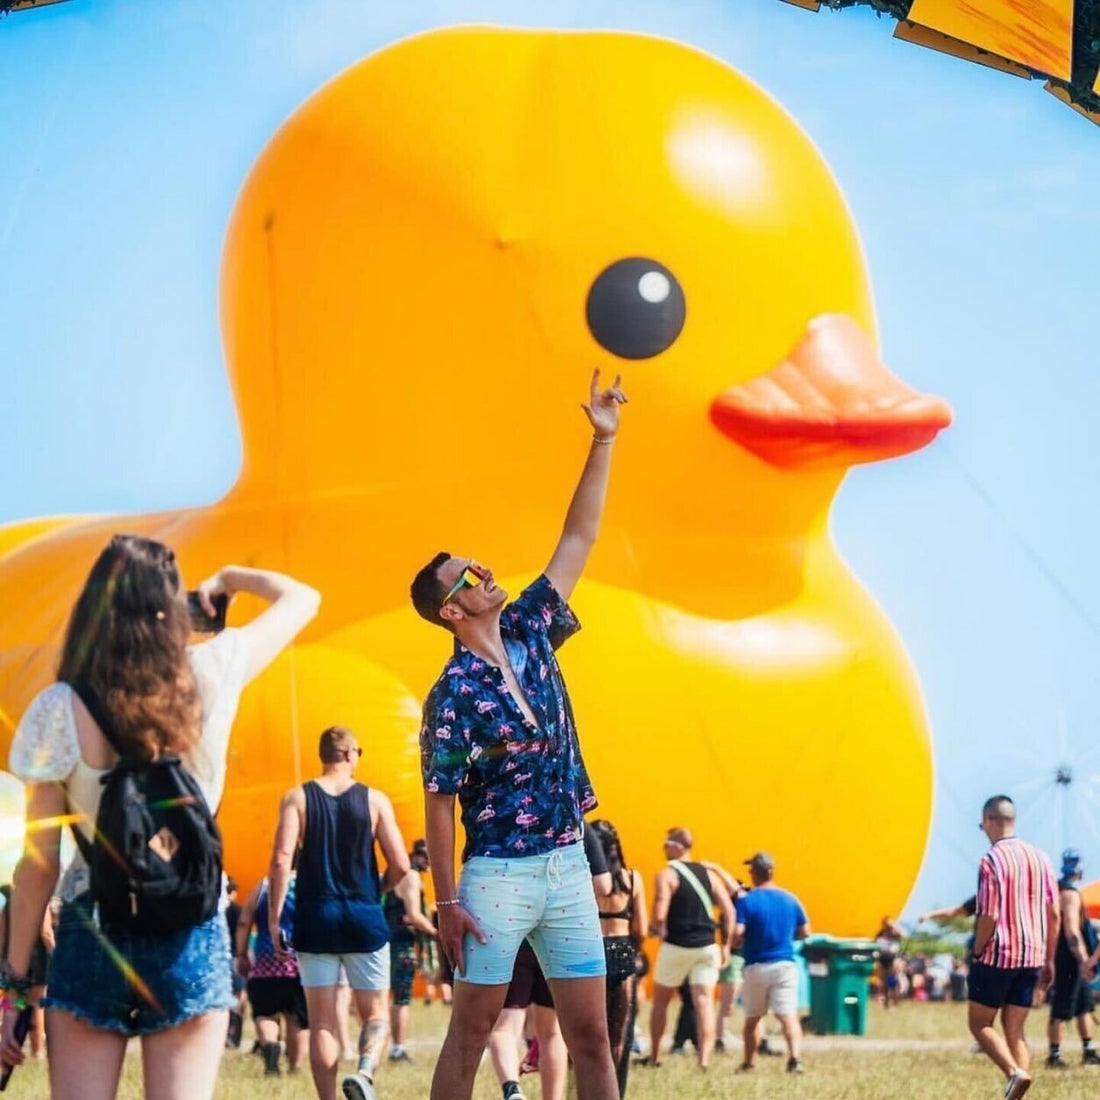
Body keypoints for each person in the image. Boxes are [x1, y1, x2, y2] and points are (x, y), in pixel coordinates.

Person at [0, 536, 319, 1100]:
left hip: (90, 926)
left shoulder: (59, 707)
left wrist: (15, 987)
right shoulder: (211, 671)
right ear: (172, 609)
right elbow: (302, 597)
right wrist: (228, 579)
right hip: (188, 927)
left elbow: (39, 863)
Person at [413, 371, 627, 1100]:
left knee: (592, 1035)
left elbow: (579, 533)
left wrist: (603, 438)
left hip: (568, 862)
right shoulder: (451, 696)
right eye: (468, 575)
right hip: (496, 875)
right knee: (471, 1036)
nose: (485, 571)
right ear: (450, 609)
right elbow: (439, 802)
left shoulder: (533, 625)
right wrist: (446, 903)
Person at [268, 724, 414, 1100]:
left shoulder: (297, 798)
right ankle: (364, 1072)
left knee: (322, 1024)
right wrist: (376, 889)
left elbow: (283, 859)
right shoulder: (375, 800)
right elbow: (400, 864)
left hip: (315, 919)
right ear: (350, 754)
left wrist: (273, 917)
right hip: (364, 917)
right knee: (375, 1014)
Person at [968, 795, 1058, 1100]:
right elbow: (1054, 913)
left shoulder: (990, 860)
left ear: (991, 820)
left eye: (983, 825)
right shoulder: (1041, 858)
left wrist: (978, 950)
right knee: (1015, 1030)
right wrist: (1049, 959)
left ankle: (1013, 1073)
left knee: (980, 1023)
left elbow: (988, 915)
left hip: (998, 954)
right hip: (1032, 954)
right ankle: (1017, 1091)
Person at [648, 827, 734, 1071]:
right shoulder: (709, 876)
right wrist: (725, 945)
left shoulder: (666, 875)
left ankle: (655, 1057)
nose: (664, 850)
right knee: (704, 1003)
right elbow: (729, 911)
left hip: (677, 944)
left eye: (666, 845)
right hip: (707, 946)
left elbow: (660, 911)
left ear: (676, 847)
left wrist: (654, 928)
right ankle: (703, 1060)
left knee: (661, 1002)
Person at [734, 851, 810, 1075]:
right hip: (785, 965)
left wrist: (735, 942)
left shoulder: (747, 901)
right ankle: (795, 1059)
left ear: (754, 873)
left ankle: (749, 1062)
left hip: (756, 965)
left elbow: (738, 933)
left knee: (753, 1018)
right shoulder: (790, 898)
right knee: (788, 1016)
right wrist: (786, 937)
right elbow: (806, 932)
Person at [589, 819, 647, 1096]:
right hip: (624, 952)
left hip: (593, 952)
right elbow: (642, 929)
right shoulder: (633, 879)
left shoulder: (586, 879)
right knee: (618, 1033)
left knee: (589, 1031)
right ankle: (614, 1092)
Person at [236, 871, 310, 1076]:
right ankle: (295, 1068)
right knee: (297, 1019)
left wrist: (241, 954)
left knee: (264, 1013)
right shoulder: (307, 883)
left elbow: (244, 922)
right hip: (299, 966)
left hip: (264, 966)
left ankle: (270, 1046)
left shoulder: (263, 886)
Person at [382, 839, 437, 1064]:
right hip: (402, 944)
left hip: (386, 941)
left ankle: (387, 1045)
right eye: (426, 857)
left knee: (388, 996)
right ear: (415, 856)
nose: (428, 863)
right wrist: (436, 933)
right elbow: (414, 915)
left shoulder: (395, 874)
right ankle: (397, 1049)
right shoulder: (411, 877)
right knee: (402, 998)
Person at [1046, 849, 1099, 1069]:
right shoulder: (1069, 893)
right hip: (1068, 958)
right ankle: (1054, 1056)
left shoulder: (1062, 889)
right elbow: (1071, 931)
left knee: (1084, 1006)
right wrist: (1085, 959)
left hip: (1069, 958)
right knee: (1062, 1006)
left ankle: (1088, 1050)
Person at [0, 884, 53, 1060]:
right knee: (36, 1004)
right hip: (36, 954)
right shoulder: (38, 889)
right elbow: (46, 932)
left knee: (13, 1002)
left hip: (12, 957)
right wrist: (57, 955)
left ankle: (9, 1048)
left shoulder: (5, 895)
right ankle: (37, 1052)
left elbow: (2, 933)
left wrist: (2, 959)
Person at [874, 916, 906, 1008]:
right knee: (884, 982)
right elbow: (875, 942)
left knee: (893, 980)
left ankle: (896, 999)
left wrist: (894, 925)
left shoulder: (895, 934)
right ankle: (887, 1001)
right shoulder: (880, 934)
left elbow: (904, 935)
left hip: (893, 959)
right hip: (882, 959)